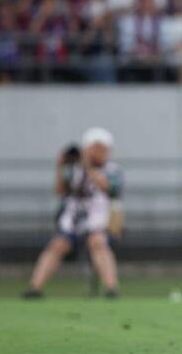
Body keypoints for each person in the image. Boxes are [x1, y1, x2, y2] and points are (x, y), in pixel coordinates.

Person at [23, 128, 123, 299]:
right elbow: (60, 191)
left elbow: (111, 189)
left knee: (97, 242)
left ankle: (111, 288)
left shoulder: (112, 170)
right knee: (57, 245)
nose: (99, 153)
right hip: (73, 222)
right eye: (95, 148)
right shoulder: (73, 169)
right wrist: (60, 166)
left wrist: (88, 167)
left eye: (103, 149)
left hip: (99, 222)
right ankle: (35, 288)